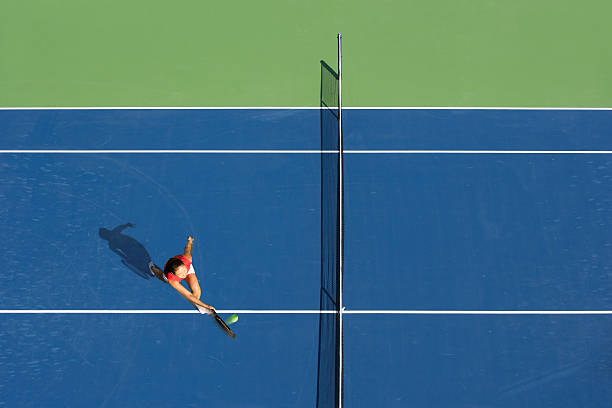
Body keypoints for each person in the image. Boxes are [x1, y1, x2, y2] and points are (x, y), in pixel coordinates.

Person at [151, 236, 215, 313]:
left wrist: (189, 241)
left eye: (184, 271)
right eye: (181, 274)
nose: (184, 275)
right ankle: (152, 268)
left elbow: (187, 249)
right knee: (163, 278)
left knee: (197, 290)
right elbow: (188, 295)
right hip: (169, 272)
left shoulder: (187, 259)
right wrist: (206, 306)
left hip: (184, 265)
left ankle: (197, 305)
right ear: (173, 274)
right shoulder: (172, 279)